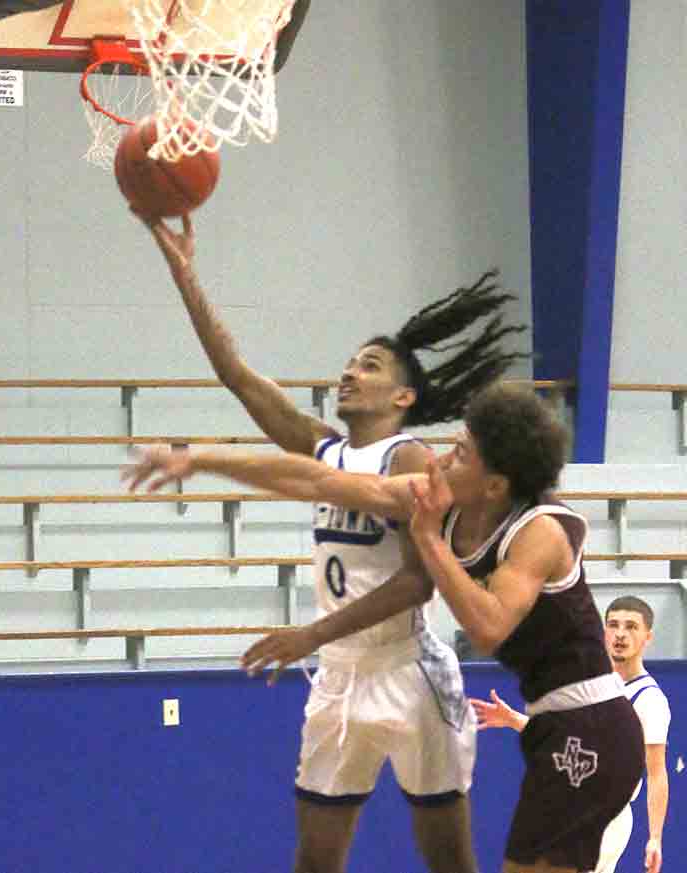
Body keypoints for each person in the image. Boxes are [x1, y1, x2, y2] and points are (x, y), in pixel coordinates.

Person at [137, 213, 527, 873]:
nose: (348, 371)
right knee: (314, 862)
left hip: (409, 671)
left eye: (368, 365)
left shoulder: (409, 460)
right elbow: (237, 375)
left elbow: (417, 582)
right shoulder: (327, 447)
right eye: (348, 362)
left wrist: (308, 635)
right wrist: (186, 275)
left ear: (402, 393)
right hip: (339, 676)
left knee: (450, 863)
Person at [123, 381, 645, 873]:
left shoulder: (540, 532)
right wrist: (201, 459)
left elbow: (488, 627)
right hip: (556, 726)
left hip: (592, 725)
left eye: (461, 453)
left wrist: (429, 540)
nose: (442, 458)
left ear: (496, 484)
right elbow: (321, 480)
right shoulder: (440, 497)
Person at [471, 595, 670, 873]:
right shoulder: (594, 683)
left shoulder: (649, 699)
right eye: (614, 625)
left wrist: (655, 837)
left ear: (647, 637)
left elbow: (657, 773)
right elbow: (569, 742)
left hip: (604, 814)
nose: (621, 634)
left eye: (631, 627)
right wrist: (513, 719)